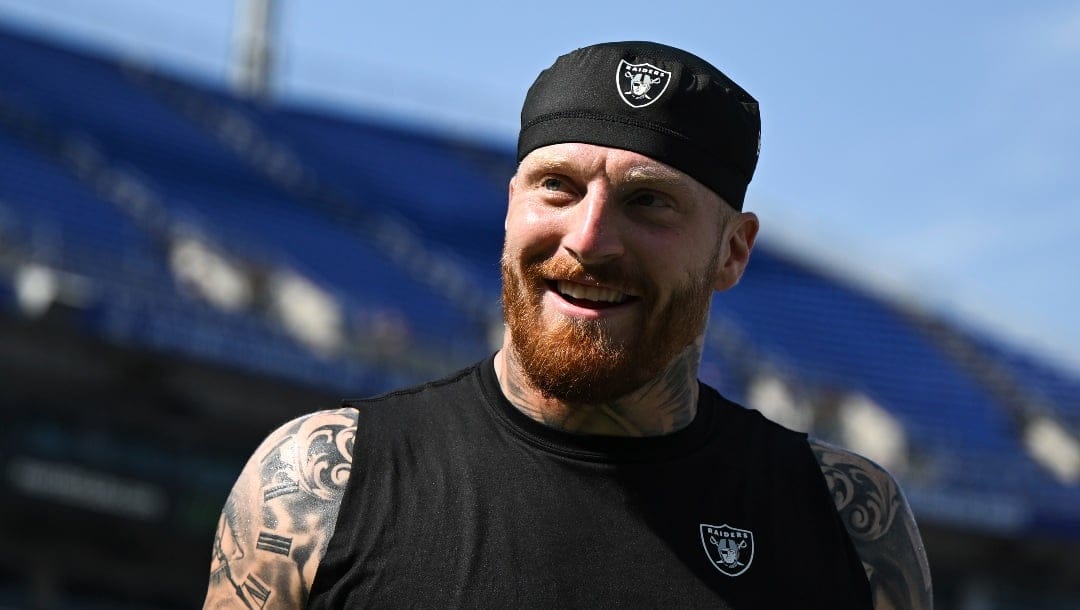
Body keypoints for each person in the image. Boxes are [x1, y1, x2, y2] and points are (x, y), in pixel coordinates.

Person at [204, 41, 932, 609]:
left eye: (649, 203)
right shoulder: (317, 482)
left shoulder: (845, 521)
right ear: (511, 203)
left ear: (732, 251)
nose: (588, 240)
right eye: (558, 186)